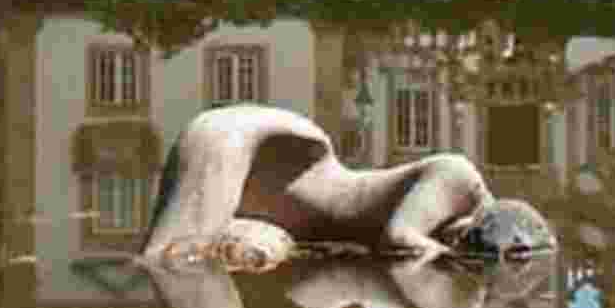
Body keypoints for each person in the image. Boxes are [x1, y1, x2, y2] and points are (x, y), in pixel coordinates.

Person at [139, 104, 554, 271]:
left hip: (279, 208)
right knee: (175, 260)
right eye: (462, 236)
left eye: (461, 241)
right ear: (476, 218)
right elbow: (400, 237)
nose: (451, 237)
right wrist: (448, 258)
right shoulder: (456, 177)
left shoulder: (461, 209)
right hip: (244, 147)